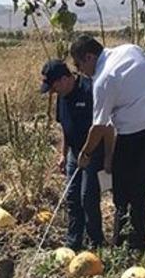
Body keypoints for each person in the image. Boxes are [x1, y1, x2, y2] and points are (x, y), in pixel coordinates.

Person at [69, 34, 145, 253]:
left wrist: (86, 153)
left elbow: (100, 126)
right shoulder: (131, 50)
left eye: (78, 64)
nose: (79, 70)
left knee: (123, 195)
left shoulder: (103, 79)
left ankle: (126, 248)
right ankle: (134, 247)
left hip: (133, 139)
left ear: (89, 57)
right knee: (138, 192)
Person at [41, 59, 104, 250]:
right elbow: (65, 129)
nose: (52, 92)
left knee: (88, 198)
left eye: (53, 87)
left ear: (65, 79)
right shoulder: (62, 95)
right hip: (74, 153)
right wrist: (63, 154)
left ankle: (96, 243)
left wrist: (90, 153)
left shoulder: (90, 90)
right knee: (72, 197)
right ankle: (73, 242)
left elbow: (102, 126)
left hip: (93, 152)